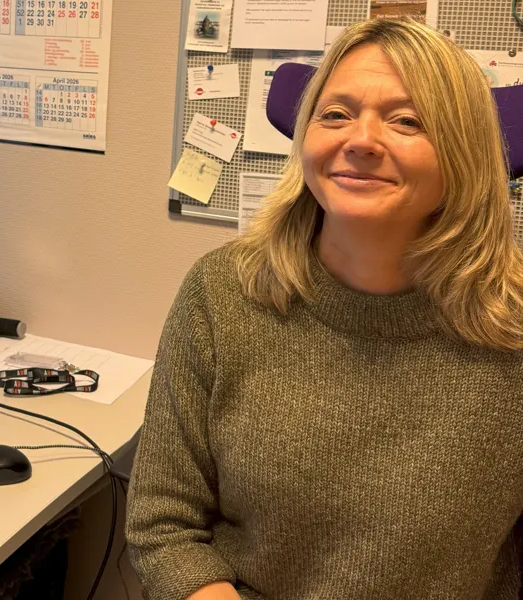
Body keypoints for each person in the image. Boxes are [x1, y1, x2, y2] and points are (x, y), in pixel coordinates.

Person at [126, 16, 523, 600]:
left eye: (407, 120)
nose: (359, 140)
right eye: (335, 114)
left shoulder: (512, 330)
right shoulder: (224, 292)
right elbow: (163, 525)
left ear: (465, 153)